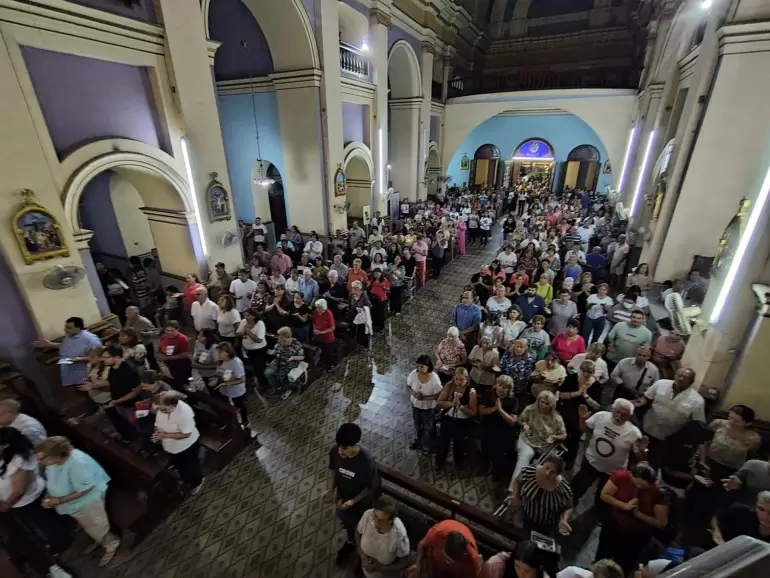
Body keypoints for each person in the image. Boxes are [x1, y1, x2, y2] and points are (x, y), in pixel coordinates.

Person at [36, 436, 120, 566]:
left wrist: (58, 501)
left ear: (56, 454)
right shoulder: (54, 462)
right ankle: (100, 539)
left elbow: (85, 489)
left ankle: (111, 543)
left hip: (88, 500)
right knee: (89, 525)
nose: (39, 461)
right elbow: (52, 480)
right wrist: (49, 496)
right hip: (73, 504)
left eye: (42, 458)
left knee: (96, 523)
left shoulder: (77, 463)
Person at [0, 427, 73, 555]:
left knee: (48, 524)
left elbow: (19, 491)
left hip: (30, 500)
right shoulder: (6, 455)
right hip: (20, 501)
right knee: (48, 520)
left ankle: (62, 543)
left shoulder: (18, 460)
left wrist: (6, 505)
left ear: (6, 445)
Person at [689, 405, 761, 524]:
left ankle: (711, 522)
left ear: (747, 423)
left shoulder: (753, 438)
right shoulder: (719, 424)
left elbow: (751, 455)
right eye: (730, 417)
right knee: (700, 492)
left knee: (719, 498)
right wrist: (702, 460)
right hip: (710, 463)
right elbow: (703, 441)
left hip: (731, 470)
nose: (731, 422)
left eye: (736, 421)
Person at [570, 399, 648, 509]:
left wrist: (642, 451)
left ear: (629, 417)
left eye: (624, 415)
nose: (619, 416)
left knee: (603, 498)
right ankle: (568, 506)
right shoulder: (600, 416)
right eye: (618, 412)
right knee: (577, 488)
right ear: (613, 409)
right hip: (591, 462)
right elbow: (584, 430)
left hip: (613, 472)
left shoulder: (634, 432)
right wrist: (582, 419)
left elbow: (640, 458)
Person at [595, 463, 670, 573]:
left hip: (636, 534)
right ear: (631, 475)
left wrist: (639, 515)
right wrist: (624, 505)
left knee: (624, 562)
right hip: (614, 525)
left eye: (644, 486)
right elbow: (605, 495)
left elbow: (661, 522)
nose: (639, 487)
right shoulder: (621, 477)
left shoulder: (658, 493)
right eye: (637, 483)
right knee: (603, 555)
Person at [323, 423, 379, 564]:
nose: (340, 452)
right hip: (343, 498)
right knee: (348, 523)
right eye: (339, 446)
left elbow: (369, 488)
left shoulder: (366, 462)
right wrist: (331, 490)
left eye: (344, 448)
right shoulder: (335, 452)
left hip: (362, 504)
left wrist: (354, 501)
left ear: (354, 445)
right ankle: (350, 542)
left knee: (363, 527)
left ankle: (363, 552)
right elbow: (334, 471)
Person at [636, 368, 705, 469]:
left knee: (652, 466)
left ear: (691, 382)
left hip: (666, 441)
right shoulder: (660, 384)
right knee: (636, 458)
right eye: (679, 375)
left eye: (685, 378)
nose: (681, 379)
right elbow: (645, 399)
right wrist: (634, 404)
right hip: (646, 430)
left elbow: (697, 424)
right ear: (675, 375)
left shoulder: (697, 401)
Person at [508, 455, 574, 536]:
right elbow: (517, 481)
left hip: (546, 524)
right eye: (547, 468)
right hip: (525, 513)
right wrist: (515, 495)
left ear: (558, 474)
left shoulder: (563, 488)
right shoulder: (528, 471)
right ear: (543, 464)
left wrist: (564, 520)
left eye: (553, 472)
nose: (547, 473)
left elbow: (569, 507)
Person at [153, 391, 204, 494]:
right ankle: (186, 479)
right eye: (159, 409)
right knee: (180, 464)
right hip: (172, 446)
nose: (161, 411)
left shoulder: (184, 413)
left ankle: (197, 482)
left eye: (164, 409)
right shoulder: (162, 408)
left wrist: (164, 436)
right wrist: (156, 432)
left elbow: (185, 435)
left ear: (172, 405)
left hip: (187, 445)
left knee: (191, 465)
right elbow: (157, 424)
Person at [511, 391, 566, 484]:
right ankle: (513, 487)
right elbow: (521, 420)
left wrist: (554, 437)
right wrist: (525, 425)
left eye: (547, 403)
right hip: (528, 440)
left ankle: (529, 486)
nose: (543, 405)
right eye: (542, 401)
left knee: (539, 469)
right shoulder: (530, 409)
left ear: (552, 405)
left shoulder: (557, 418)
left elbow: (564, 435)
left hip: (545, 446)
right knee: (525, 457)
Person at [33, 316, 102, 388]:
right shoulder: (71, 335)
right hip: (69, 372)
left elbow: (98, 354)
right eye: (65, 327)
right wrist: (49, 344)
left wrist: (80, 359)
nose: (65, 330)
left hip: (81, 373)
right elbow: (65, 346)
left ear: (78, 328)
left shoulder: (89, 338)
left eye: (69, 328)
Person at [355, 496, 412, 578]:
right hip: (365, 563)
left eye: (381, 521)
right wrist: (362, 555)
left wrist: (381, 568)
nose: (376, 522)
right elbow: (358, 531)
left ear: (390, 521)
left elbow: (405, 561)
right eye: (375, 516)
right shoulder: (368, 515)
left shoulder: (398, 534)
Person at [559, 359, 603, 464]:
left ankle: (570, 457)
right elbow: (560, 395)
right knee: (562, 421)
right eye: (584, 372)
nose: (586, 375)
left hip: (584, 410)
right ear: (580, 370)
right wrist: (577, 393)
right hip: (569, 406)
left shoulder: (596, 385)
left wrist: (585, 396)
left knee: (576, 428)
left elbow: (597, 406)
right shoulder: (571, 378)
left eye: (589, 373)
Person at [435, 367, 477, 470]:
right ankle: (440, 461)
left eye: (461, 379)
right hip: (448, 418)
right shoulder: (449, 386)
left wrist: (461, 407)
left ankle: (459, 462)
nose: (458, 382)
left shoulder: (471, 392)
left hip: (462, 422)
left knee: (459, 444)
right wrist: (451, 403)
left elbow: (473, 413)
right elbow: (439, 403)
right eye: (456, 379)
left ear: (467, 379)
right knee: (443, 442)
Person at [410, 519, 482, 578]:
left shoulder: (472, 562)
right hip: (434, 566)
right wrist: (418, 567)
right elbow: (422, 545)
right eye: (447, 558)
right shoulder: (438, 532)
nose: (448, 563)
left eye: (451, 561)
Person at [478, 375, 518, 479]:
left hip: (503, 430)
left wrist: (500, 410)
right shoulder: (488, 393)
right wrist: (494, 408)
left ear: (509, 389)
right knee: (485, 450)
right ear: (496, 385)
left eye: (505, 387)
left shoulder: (513, 400)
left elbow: (513, 422)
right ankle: (484, 468)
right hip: (487, 426)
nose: (501, 389)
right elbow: (481, 410)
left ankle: (496, 473)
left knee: (499, 453)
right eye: (500, 385)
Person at [102, 343, 141, 441]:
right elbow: (111, 382)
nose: (103, 359)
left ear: (117, 357)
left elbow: (135, 392)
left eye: (106, 357)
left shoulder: (129, 370)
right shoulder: (112, 368)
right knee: (130, 424)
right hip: (119, 404)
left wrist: (116, 401)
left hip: (131, 406)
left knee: (139, 425)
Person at [208, 342, 251, 432]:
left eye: (220, 352)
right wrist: (216, 379)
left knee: (239, 405)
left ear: (227, 352)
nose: (218, 354)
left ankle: (245, 420)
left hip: (236, 390)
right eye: (217, 352)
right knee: (227, 406)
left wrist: (230, 383)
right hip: (224, 389)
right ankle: (231, 421)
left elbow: (242, 379)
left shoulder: (236, 363)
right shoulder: (221, 361)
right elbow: (219, 373)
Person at [406, 355, 443, 451]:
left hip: (428, 407)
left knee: (427, 427)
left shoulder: (434, 378)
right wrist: (415, 394)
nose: (419, 369)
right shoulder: (413, 374)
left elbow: (438, 395)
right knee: (417, 424)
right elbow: (408, 387)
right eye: (418, 366)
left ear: (428, 366)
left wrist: (424, 398)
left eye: (422, 366)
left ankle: (426, 445)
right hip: (415, 405)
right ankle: (418, 441)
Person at [264, 326, 305, 400]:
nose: (279, 337)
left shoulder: (296, 343)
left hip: (290, 363)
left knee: (280, 375)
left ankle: (286, 389)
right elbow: (275, 349)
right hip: (279, 360)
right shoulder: (279, 341)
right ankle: (278, 387)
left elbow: (302, 357)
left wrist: (293, 358)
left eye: (280, 335)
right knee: (267, 373)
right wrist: (272, 352)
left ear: (285, 336)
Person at [484, 539, 549, 578]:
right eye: (517, 566)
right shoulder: (497, 565)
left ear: (537, 570)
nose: (521, 573)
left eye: (527, 570)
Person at [237, 308, 267, 386]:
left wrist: (248, 331)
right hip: (247, 349)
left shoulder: (260, 323)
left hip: (258, 350)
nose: (245, 317)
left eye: (248, 315)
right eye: (244, 315)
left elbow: (259, 340)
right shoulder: (243, 321)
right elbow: (238, 333)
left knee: (259, 368)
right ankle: (256, 378)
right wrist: (244, 332)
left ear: (253, 316)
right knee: (252, 366)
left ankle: (263, 383)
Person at [157, 321, 192, 387]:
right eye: (167, 330)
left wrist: (167, 357)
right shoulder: (163, 337)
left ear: (177, 330)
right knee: (176, 380)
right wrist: (160, 355)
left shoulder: (182, 339)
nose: (169, 333)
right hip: (170, 365)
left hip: (182, 365)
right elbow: (161, 348)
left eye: (172, 331)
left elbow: (185, 354)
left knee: (184, 383)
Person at [312, 299, 337, 370]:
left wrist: (321, 332)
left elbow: (332, 328)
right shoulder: (316, 312)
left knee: (328, 353)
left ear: (324, 307)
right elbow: (314, 322)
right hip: (318, 336)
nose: (318, 309)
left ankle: (329, 366)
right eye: (317, 307)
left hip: (327, 337)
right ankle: (322, 365)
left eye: (319, 307)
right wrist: (315, 329)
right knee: (320, 352)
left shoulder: (328, 313)